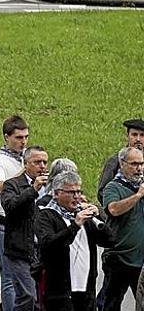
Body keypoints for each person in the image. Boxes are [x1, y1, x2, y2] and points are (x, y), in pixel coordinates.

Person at [37, 171, 110, 311]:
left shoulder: (84, 216)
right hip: (60, 292)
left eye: (78, 192)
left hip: (86, 290)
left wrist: (99, 216)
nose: (77, 197)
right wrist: (75, 226)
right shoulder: (46, 215)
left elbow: (109, 241)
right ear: (57, 193)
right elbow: (49, 245)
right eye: (71, 192)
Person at [0, 115, 28, 311]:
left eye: (26, 137)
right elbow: (1, 187)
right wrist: (25, 172)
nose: (23, 141)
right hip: (5, 223)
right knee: (9, 277)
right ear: (6, 137)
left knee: (28, 276)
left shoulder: (29, 157)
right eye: (18, 137)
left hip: (27, 222)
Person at [0, 145, 49, 311]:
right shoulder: (12, 185)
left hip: (42, 251)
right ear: (25, 164)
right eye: (37, 162)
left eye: (44, 162)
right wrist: (33, 189)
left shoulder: (49, 188)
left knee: (42, 300)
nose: (42, 166)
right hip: (20, 250)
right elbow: (11, 207)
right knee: (27, 296)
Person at [101, 146, 144, 311]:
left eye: (141, 163)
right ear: (122, 164)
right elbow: (113, 209)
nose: (139, 168)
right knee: (112, 303)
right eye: (134, 164)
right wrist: (138, 196)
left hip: (140, 260)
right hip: (119, 258)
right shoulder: (113, 187)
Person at [96, 118, 144, 203]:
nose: (138, 139)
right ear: (127, 136)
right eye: (134, 135)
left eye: (142, 135)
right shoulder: (115, 161)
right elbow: (102, 192)